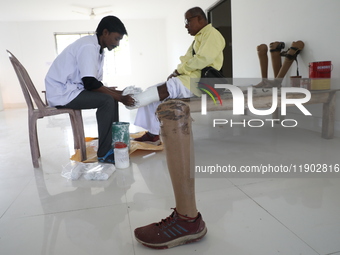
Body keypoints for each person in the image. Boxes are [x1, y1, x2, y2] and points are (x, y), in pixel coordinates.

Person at [45, 16, 135, 163]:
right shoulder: (88, 46)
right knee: (107, 100)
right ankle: (105, 153)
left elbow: (94, 82)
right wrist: (119, 96)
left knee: (111, 98)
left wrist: (119, 94)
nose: (117, 44)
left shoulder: (98, 48)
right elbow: (90, 83)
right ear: (105, 32)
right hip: (62, 92)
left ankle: (113, 145)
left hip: (73, 89)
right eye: (116, 38)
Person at [129, 7, 225, 144]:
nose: (186, 25)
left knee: (162, 91)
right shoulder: (198, 38)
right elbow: (185, 59)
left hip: (201, 82)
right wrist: (176, 71)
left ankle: (132, 102)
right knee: (156, 89)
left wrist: (179, 71)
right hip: (190, 78)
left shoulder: (212, 34)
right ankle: (153, 133)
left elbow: (203, 59)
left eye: (188, 21)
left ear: (199, 18)